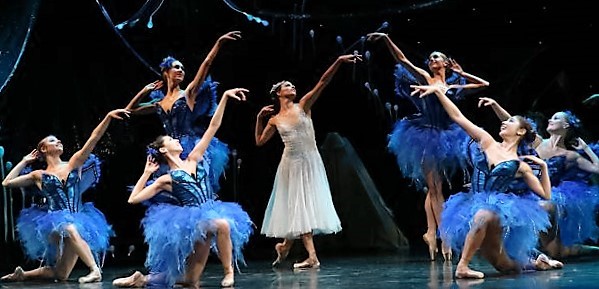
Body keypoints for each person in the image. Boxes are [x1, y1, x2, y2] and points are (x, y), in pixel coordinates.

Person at [411, 84, 561, 278]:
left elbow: (545, 195)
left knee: (485, 215)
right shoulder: (487, 141)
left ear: (521, 132)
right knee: (505, 265)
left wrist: (543, 167)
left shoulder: (520, 165)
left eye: (511, 121)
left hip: (498, 208)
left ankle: (462, 267)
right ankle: (536, 263)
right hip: (469, 205)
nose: (504, 123)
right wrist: (439, 93)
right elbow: (458, 117)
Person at [112, 88, 253, 288]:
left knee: (190, 280)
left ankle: (141, 279)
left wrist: (224, 98)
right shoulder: (166, 179)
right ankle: (229, 272)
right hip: (193, 222)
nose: (177, 140)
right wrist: (146, 173)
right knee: (222, 224)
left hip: (210, 210)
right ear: (163, 149)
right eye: (171, 140)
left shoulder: (193, 158)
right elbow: (133, 199)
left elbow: (213, 126)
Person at [367, 32, 490, 261]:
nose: (432, 60)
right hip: (424, 135)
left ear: (445, 62)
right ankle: (445, 237)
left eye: (437, 57)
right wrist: (386, 38)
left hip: (449, 135)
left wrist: (461, 73)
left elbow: (484, 84)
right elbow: (403, 60)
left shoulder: (453, 85)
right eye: (431, 58)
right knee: (435, 188)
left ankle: (430, 231)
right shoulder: (425, 78)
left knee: (436, 185)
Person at [255, 53, 361, 269]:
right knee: (299, 207)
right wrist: (259, 119)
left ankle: (285, 246)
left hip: (310, 162)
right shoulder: (275, 119)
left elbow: (323, 82)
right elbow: (259, 141)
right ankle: (310, 256)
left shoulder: (302, 106)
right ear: (278, 93)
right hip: (290, 165)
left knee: (302, 207)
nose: (292, 87)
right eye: (287, 85)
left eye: (293, 85)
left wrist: (338, 61)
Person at [0, 108, 130, 283]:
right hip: (53, 222)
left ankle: (23, 274)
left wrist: (107, 117)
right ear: (44, 149)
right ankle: (95, 270)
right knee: (68, 227)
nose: (59, 141)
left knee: (61, 274)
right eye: (53, 141)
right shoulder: (39, 175)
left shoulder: (73, 163)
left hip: (80, 217)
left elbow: (94, 138)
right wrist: (24, 161)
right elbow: (7, 182)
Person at [479, 97, 599, 258]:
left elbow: (597, 168)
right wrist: (495, 105)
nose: (550, 119)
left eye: (556, 118)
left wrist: (585, 148)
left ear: (566, 125)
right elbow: (516, 125)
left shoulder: (570, 155)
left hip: (549, 193)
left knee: (555, 251)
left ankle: (588, 250)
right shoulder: (538, 142)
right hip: (527, 192)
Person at [125, 30, 242, 194]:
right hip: (170, 149)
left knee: (196, 189)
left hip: (190, 146)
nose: (181, 70)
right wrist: (144, 91)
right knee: (173, 194)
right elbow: (130, 110)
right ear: (166, 72)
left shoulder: (188, 94)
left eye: (182, 68)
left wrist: (219, 43)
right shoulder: (158, 102)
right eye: (176, 67)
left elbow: (206, 64)